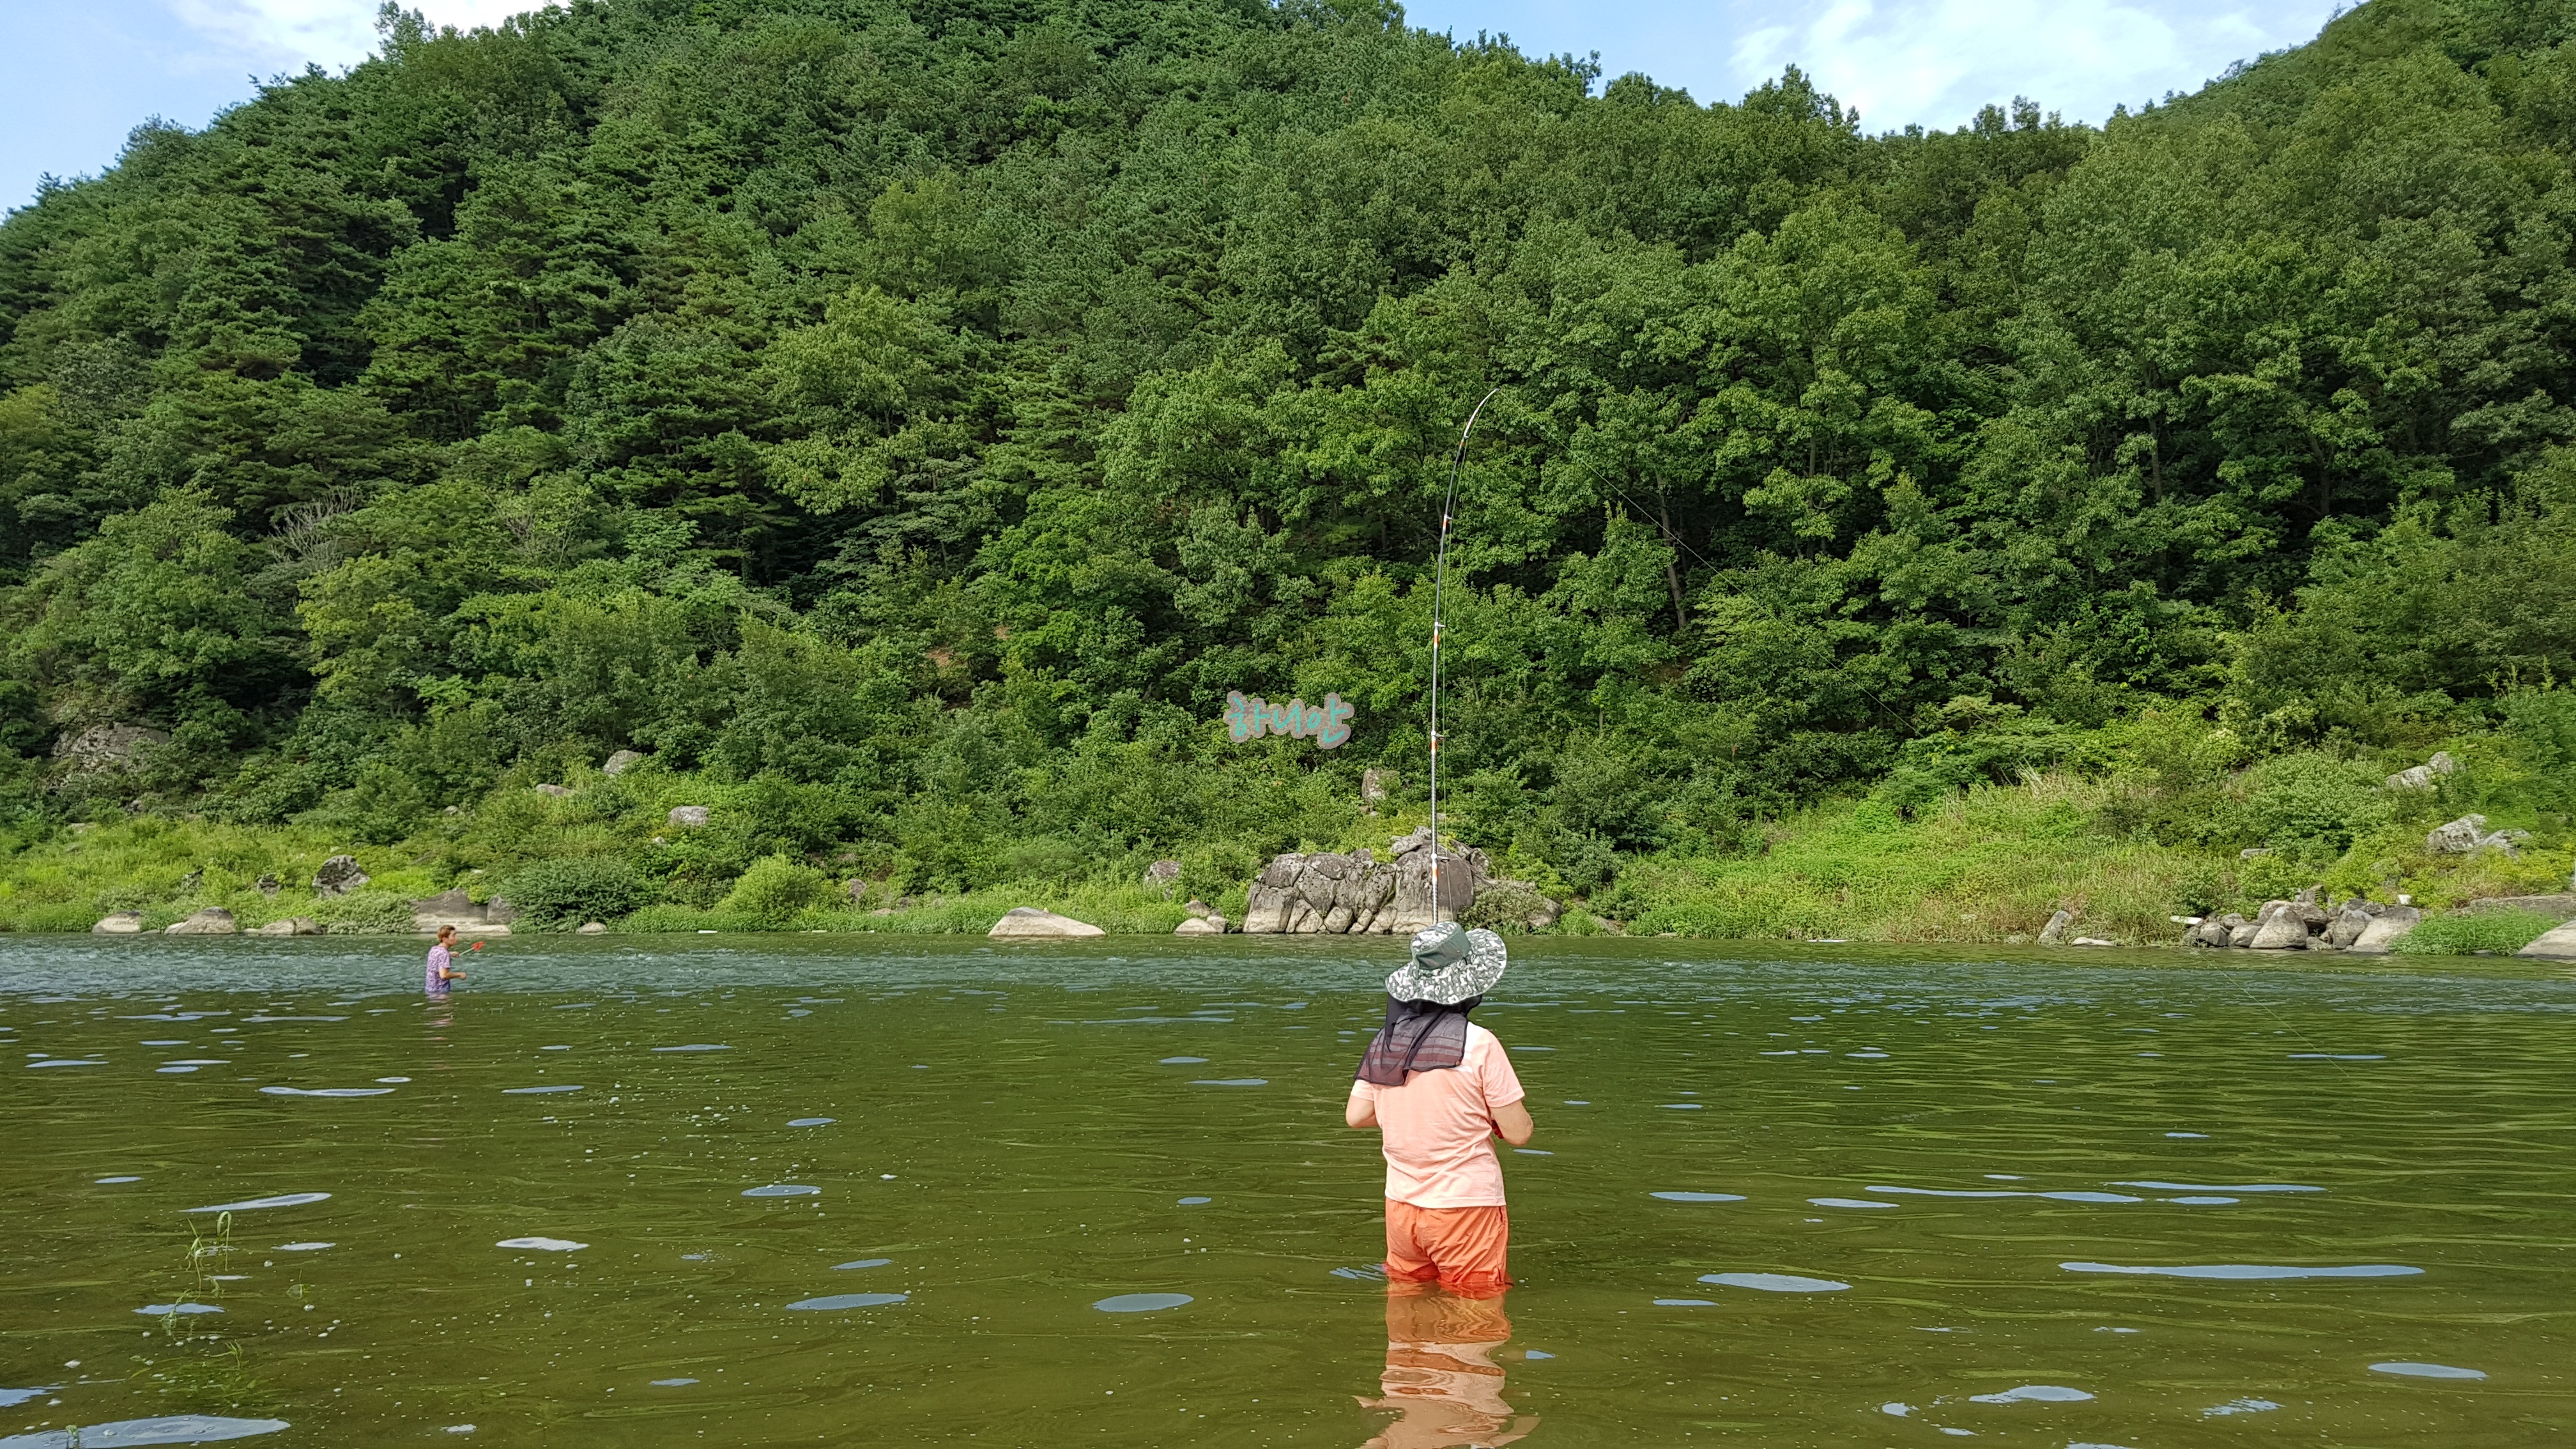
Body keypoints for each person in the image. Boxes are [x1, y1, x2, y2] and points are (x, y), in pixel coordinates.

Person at [1346, 923, 1532, 1297]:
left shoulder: (1386, 1040)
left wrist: (1413, 1112)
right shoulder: (1480, 1044)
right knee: (1475, 1317)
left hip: (1402, 1207)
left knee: (1405, 1317)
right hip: (1465, 1206)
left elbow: (1357, 1115)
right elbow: (1519, 1133)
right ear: (1470, 985)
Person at [425, 924, 465, 997]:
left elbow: (439, 957)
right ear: (445, 939)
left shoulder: (434, 949)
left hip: (430, 989)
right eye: (454, 936)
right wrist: (460, 974)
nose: (457, 938)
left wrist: (449, 954)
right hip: (441, 992)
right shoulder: (444, 953)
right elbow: (444, 975)